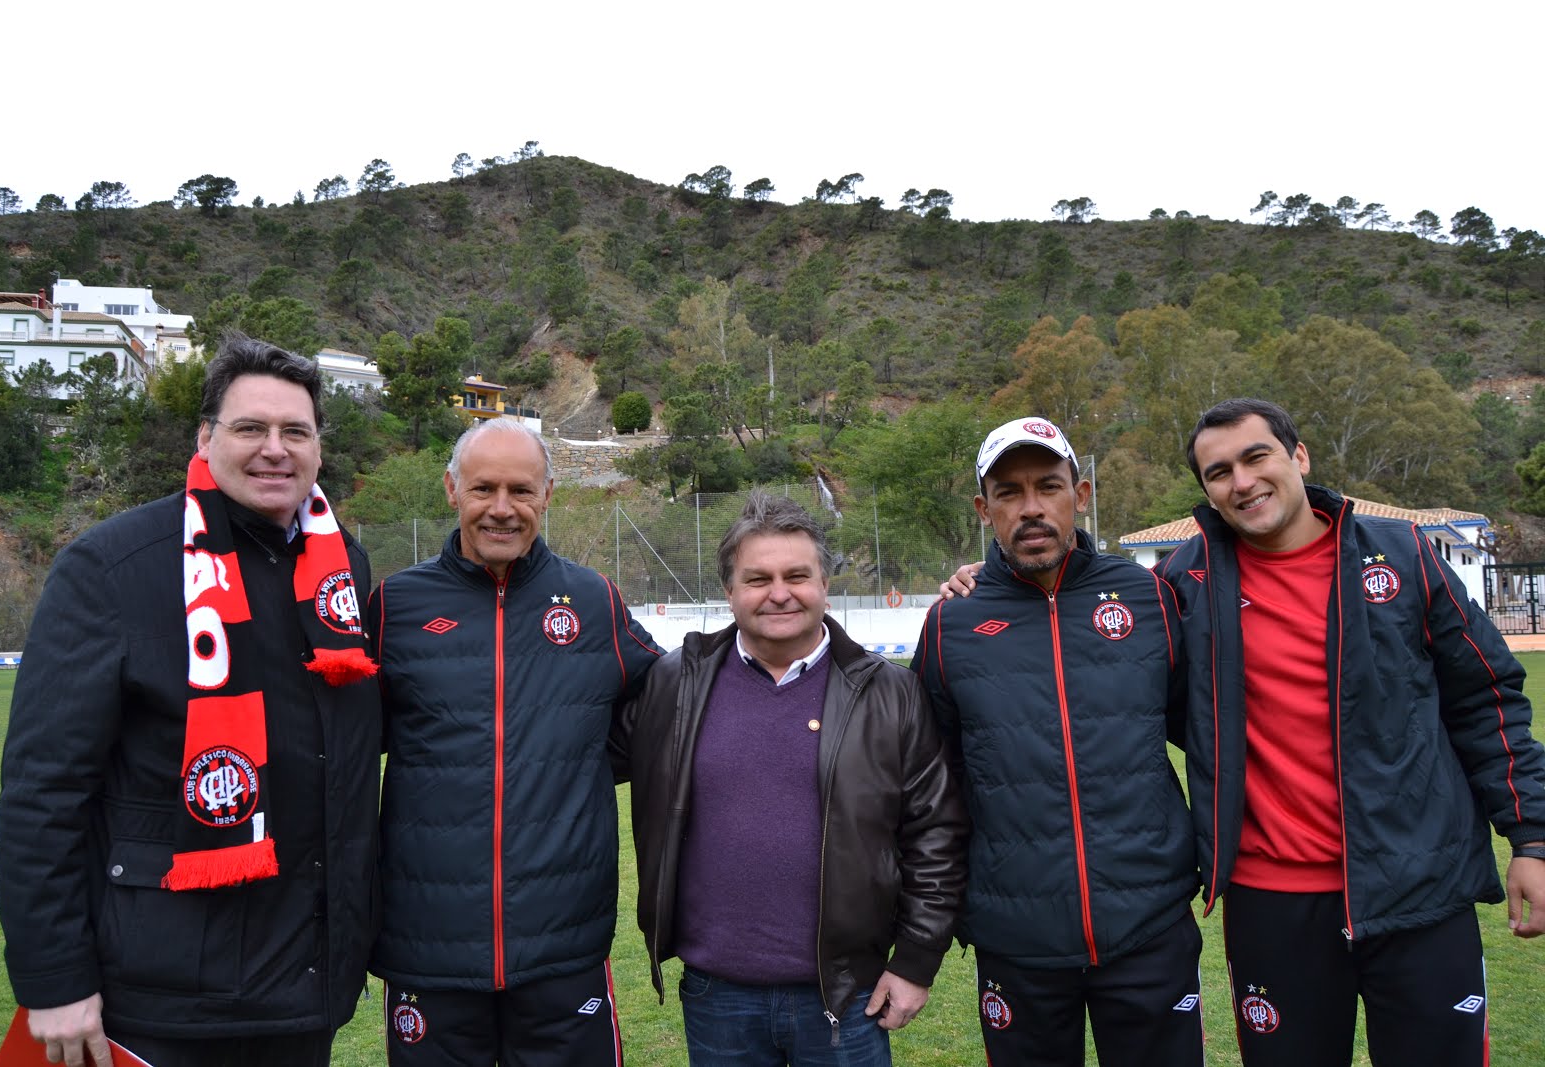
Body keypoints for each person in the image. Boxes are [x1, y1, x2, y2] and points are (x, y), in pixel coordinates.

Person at [0, 334, 382, 1067]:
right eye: (251, 428)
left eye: (295, 431)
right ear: (205, 437)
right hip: (163, 994)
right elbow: (42, 793)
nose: (275, 448)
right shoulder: (112, 567)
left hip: (305, 986)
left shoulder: (340, 570)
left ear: (318, 449)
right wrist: (53, 979)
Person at [1153, 397, 1545, 1066]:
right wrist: (996, 581)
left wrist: (1532, 836)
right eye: (1219, 472)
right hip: (1271, 902)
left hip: (1417, 884)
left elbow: (1486, 699)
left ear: (1298, 456)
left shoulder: (1406, 555)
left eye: (1256, 457)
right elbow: (1096, 646)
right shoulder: (1180, 584)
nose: (1241, 482)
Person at [612, 491, 967, 1067]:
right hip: (715, 994)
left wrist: (916, 962)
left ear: (824, 583)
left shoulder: (891, 693)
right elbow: (568, 750)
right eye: (757, 579)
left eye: (797, 575)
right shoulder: (673, 686)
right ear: (729, 592)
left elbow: (936, 836)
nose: (779, 593)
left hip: (845, 995)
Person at [367, 418, 662, 1067]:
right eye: (484, 488)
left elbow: (670, 696)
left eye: (521, 490)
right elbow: (341, 738)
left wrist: (589, 756)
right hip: (429, 949)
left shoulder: (593, 602)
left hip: (565, 947)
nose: (503, 508)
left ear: (548, 494)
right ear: (451, 489)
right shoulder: (395, 606)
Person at [914, 416, 1203, 1067]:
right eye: (1010, 492)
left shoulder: (1149, 597)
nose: (1032, 506)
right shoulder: (951, 624)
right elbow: (930, 784)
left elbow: (1204, 735)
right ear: (985, 508)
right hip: (1016, 938)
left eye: (1049, 485)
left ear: (1082, 492)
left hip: (1150, 925)